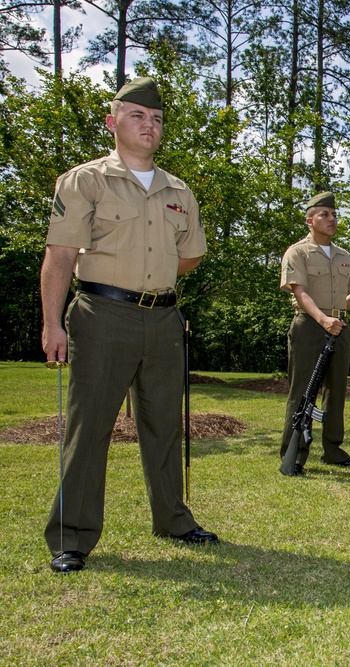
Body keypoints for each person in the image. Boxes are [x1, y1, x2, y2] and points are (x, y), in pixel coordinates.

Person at [40, 77, 218, 574]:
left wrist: (152, 280)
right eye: (138, 115)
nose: (149, 125)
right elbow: (59, 256)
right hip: (102, 315)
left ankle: (174, 520)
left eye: (157, 119)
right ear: (112, 121)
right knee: (90, 427)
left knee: (164, 425)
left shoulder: (178, 190)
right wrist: (52, 322)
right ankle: (71, 536)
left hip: (163, 319)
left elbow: (191, 255)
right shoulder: (85, 181)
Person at [279, 191, 350, 474]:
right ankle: (293, 454)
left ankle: (333, 450)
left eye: (334, 215)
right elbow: (300, 292)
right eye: (324, 215)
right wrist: (323, 318)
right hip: (309, 327)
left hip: (338, 329)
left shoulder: (345, 256)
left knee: (336, 391)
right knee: (302, 391)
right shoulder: (298, 252)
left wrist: (338, 314)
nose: (332, 219)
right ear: (309, 220)